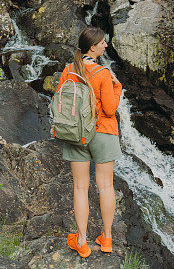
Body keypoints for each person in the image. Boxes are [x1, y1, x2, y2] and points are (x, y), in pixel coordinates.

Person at [56, 26, 122, 258]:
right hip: (103, 132)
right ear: (92, 47)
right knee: (105, 186)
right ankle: (106, 238)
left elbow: (62, 103)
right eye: (103, 43)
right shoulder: (103, 73)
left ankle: (82, 242)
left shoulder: (69, 70)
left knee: (80, 188)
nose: (106, 45)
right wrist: (117, 86)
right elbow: (110, 108)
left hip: (76, 135)